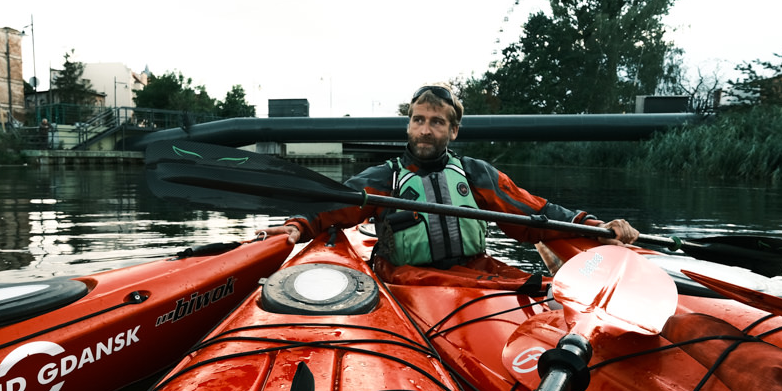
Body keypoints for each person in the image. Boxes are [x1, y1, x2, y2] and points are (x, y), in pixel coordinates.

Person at [257, 84, 639, 278]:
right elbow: (332, 206)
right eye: (418, 120)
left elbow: (533, 213)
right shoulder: (386, 177)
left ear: (453, 131)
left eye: (436, 122)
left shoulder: (475, 174)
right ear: (408, 125)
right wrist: (296, 226)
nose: (425, 130)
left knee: (533, 287)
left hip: (475, 276)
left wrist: (594, 227)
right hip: (407, 281)